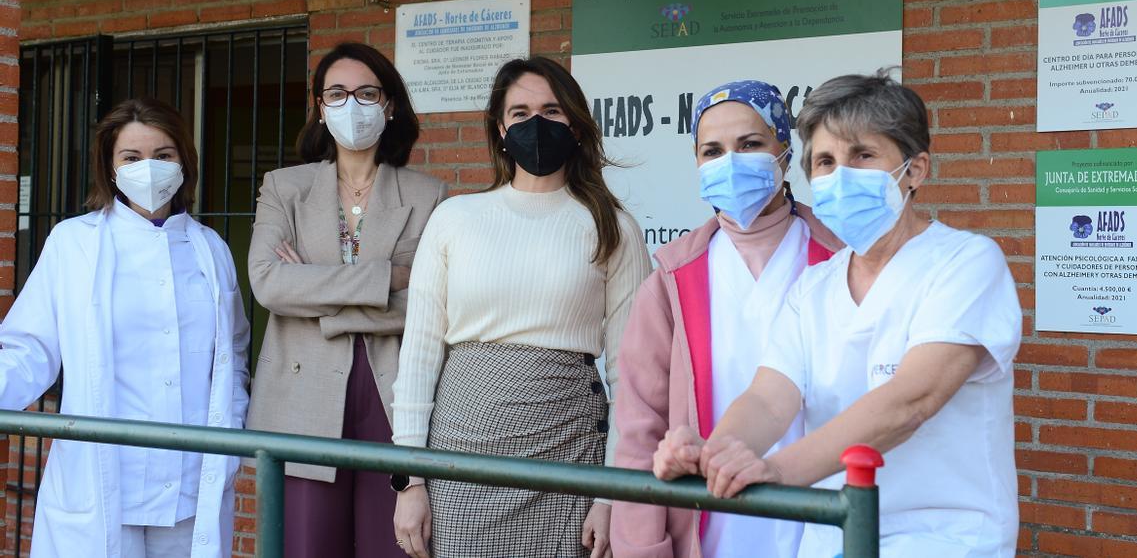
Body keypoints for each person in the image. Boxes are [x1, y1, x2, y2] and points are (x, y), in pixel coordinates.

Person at [653, 72, 1021, 557]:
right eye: (825, 161)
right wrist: (716, 453)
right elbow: (768, 399)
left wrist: (778, 471)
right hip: (829, 535)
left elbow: (911, 401)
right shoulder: (815, 288)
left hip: (942, 538)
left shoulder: (966, 263)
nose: (840, 174)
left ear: (916, 169)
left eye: (863, 155)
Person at [391, 56, 652, 558]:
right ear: (499, 127)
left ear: (575, 123)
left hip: (567, 450)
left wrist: (611, 490)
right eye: (521, 112)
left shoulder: (612, 226)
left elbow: (632, 371)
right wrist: (410, 480)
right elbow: (420, 353)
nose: (537, 124)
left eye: (552, 111)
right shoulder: (454, 219)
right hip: (458, 457)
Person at [0, 97, 251, 558]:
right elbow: (29, 350)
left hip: (191, 486)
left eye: (163, 156)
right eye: (131, 158)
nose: (148, 169)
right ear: (111, 169)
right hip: (102, 484)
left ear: (183, 163)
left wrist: (232, 429)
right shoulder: (74, 243)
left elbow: (232, 358)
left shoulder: (211, 250)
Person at [611, 80, 840, 558]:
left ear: (783, 150)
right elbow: (639, 430)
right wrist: (641, 545)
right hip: (707, 529)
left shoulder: (841, 260)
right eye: (711, 150)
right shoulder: (672, 281)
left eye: (750, 144)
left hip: (824, 526)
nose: (730, 163)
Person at [246, 42, 448, 558]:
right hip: (300, 399)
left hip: (395, 397)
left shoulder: (429, 195)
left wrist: (313, 287)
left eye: (366, 92)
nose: (351, 104)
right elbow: (269, 283)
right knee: (308, 548)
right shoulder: (283, 187)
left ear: (390, 104)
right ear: (319, 106)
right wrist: (388, 277)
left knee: (394, 547)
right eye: (336, 93)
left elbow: (430, 304)